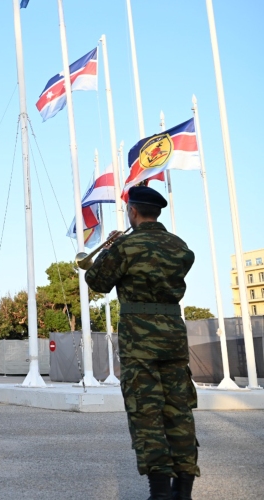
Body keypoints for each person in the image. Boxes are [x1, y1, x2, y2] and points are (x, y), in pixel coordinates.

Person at [85, 186, 198, 500]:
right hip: (174, 335)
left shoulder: (126, 246)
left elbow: (96, 282)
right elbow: (182, 265)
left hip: (139, 339)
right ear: (156, 212)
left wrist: (109, 250)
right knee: (180, 411)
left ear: (132, 211)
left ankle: (160, 493)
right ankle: (183, 491)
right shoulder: (180, 247)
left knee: (146, 412)